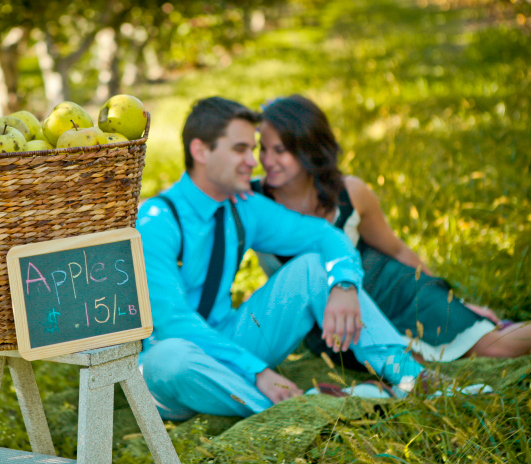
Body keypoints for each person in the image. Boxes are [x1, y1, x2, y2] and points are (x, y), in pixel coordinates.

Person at [135, 96, 428, 421]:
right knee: (168, 355)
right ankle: (304, 407)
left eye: (252, 148)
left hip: (230, 339)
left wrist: (343, 283)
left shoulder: (243, 206)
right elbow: (171, 323)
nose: (253, 161)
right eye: (240, 149)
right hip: (180, 367)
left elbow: (324, 234)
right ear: (201, 151)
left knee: (312, 267)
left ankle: (413, 378)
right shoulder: (156, 219)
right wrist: (257, 371)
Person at [255, 94, 530, 365]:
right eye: (262, 149)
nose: (267, 161)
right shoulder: (249, 200)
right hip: (341, 320)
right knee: (413, 364)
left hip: (397, 290)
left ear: (308, 147)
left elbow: (397, 249)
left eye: (280, 150)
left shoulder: (350, 191)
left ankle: (478, 325)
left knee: (496, 347)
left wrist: (451, 302)